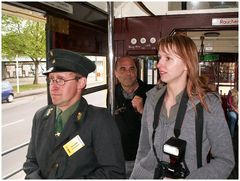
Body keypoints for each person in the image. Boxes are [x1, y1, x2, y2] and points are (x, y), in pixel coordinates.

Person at [130, 35, 235, 179]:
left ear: (186, 64)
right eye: (159, 57)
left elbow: (225, 160)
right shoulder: (151, 100)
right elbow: (143, 150)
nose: (159, 64)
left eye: (168, 58)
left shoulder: (208, 104)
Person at [23, 49, 126, 179]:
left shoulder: (99, 120)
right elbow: (31, 162)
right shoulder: (41, 116)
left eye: (60, 80)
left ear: (81, 82)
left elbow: (113, 173)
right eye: (51, 80)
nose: (53, 87)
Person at [114, 56, 154, 177]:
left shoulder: (151, 93)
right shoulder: (113, 92)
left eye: (132, 69)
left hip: (144, 159)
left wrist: (142, 110)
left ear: (137, 72)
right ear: (116, 73)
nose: (128, 73)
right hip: (119, 158)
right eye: (123, 69)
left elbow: (160, 128)